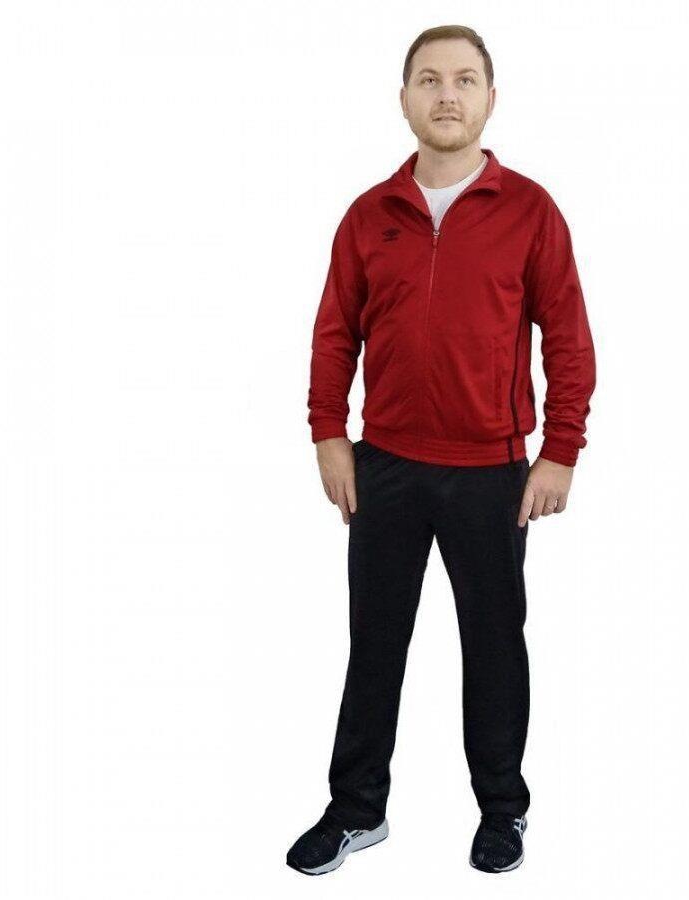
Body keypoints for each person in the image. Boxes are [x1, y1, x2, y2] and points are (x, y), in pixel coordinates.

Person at [286, 24, 597, 876]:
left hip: (492, 471)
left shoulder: (530, 211)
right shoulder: (368, 214)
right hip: (384, 466)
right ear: (405, 99)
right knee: (374, 644)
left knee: (494, 647)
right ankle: (356, 810)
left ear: (490, 98)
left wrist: (561, 449)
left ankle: (502, 808)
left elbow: (568, 337)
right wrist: (328, 433)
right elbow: (334, 333)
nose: (447, 94)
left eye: (464, 79)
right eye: (429, 79)